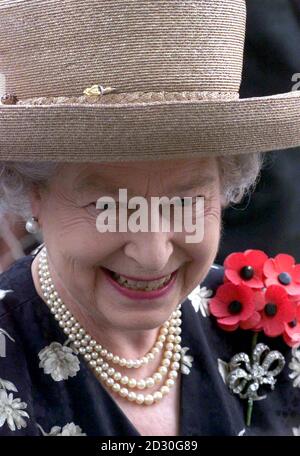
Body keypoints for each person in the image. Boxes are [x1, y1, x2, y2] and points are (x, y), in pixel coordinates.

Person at [0, 0, 300, 437]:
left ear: (224, 186)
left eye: (185, 202)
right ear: (34, 194)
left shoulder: (269, 324)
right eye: (107, 207)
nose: (153, 255)